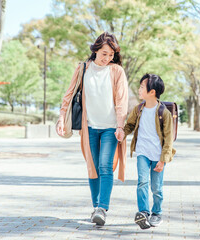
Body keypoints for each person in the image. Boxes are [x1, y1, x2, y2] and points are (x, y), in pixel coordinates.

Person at [56, 32, 128, 226]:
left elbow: (121, 101)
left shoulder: (116, 71)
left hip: (111, 128)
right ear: (95, 50)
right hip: (89, 128)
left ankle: (102, 208)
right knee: (93, 167)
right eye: (104, 53)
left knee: (105, 166)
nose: (107, 58)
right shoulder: (83, 68)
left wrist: (120, 126)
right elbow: (68, 95)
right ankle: (96, 207)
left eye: (111, 55)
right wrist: (61, 118)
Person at [121, 73, 176, 229]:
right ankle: (143, 213)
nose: (139, 90)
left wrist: (163, 160)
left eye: (142, 87)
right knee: (142, 182)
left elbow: (168, 140)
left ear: (152, 92)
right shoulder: (138, 109)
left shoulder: (164, 113)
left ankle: (157, 213)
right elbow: (129, 126)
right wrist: (122, 134)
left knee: (156, 188)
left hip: (158, 155)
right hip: (142, 153)